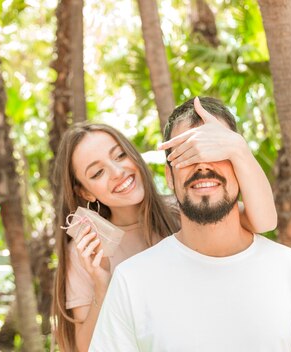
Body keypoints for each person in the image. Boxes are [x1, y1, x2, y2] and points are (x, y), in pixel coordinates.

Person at [89, 97, 291, 352]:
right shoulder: (131, 281)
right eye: (186, 153)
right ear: (169, 176)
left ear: (240, 165)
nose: (202, 164)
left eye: (218, 150)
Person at [51, 107, 277, 351]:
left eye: (119, 156)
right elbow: (84, 349)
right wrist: (101, 285)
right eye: (97, 172)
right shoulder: (87, 253)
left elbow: (264, 222)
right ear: (85, 191)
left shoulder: (184, 211)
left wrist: (237, 148)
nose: (117, 173)